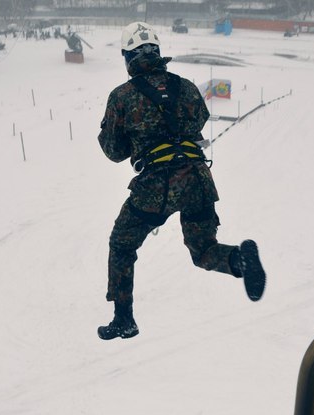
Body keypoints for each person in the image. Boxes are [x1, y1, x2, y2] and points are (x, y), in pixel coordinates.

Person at [96, 22, 266, 340]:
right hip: (198, 179)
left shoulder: (123, 96)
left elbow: (114, 151)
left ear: (128, 57)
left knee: (122, 245)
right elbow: (198, 120)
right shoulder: (185, 86)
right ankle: (238, 260)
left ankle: (123, 319)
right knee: (203, 249)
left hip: (156, 187)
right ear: (157, 53)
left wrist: (111, 131)